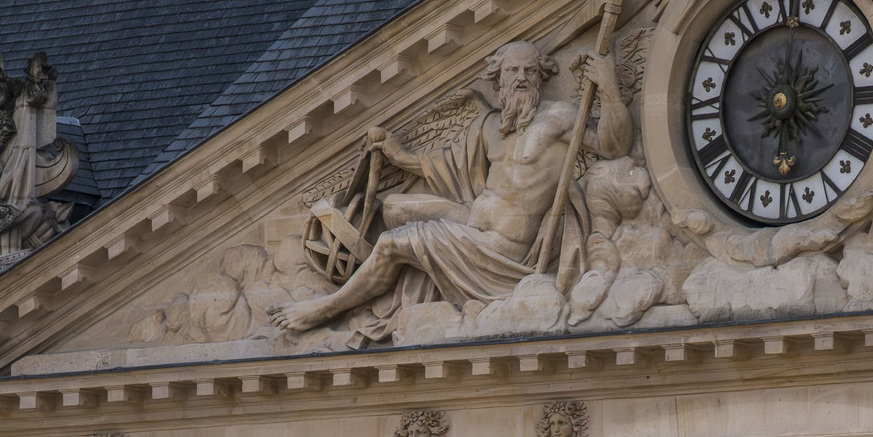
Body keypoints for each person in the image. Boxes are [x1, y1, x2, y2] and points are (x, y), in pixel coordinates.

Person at [271, 37, 632, 336]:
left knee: (390, 243)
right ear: (498, 80)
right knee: (394, 207)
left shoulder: (559, 119)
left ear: (540, 78)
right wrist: (399, 155)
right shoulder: (492, 127)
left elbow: (614, 146)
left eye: (529, 71)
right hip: (471, 225)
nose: (521, 78)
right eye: (512, 71)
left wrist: (610, 86)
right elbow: (445, 166)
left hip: (502, 250)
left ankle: (323, 309)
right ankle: (379, 291)